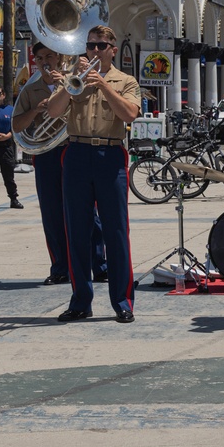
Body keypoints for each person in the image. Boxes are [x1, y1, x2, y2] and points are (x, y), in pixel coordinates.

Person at [46, 25, 140, 323]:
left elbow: (129, 114)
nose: (95, 51)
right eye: (90, 46)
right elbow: (52, 110)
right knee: (77, 232)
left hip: (110, 153)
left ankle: (122, 301)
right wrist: (71, 83)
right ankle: (80, 300)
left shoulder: (126, 81)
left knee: (116, 232)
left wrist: (103, 85)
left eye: (101, 46)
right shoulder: (76, 78)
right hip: (76, 153)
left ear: (113, 49)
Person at [13, 42, 107, 285]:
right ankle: (60, 268)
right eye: (40, 57)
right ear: (35, 61)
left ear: (59, 59)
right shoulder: (30, 90)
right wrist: (35, 111)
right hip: (46, 154)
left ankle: (100, 266)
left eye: (50, 56)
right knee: (52, 213)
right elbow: (16, 126)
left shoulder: (75, 80)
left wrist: (63, 87)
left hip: (74, 148)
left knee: (88, 211)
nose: (45, 61)